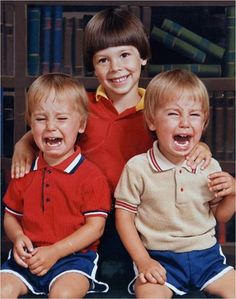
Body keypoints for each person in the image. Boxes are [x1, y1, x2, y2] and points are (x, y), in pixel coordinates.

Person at [10, 8, 212, 291]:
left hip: (143, 222)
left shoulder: (159, 111)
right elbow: (49, 127)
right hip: (90, 221)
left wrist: (201, 146)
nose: (116, 68)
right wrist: (24, 142)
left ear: (143, 56)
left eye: (125, 55)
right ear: (93, 67)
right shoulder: (85, 108)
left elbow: (183, 136)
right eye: (104, 60)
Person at [115, 69, 235, 298]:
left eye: (194, 115)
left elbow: (221, 215)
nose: (185, 123)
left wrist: (233, 193)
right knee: (149, 294)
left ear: (204, 123)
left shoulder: (209, 166)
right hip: (160, 259)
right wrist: (143, 261)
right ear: (151, 121)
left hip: (207, 257)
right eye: (173, 114)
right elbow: (124, 218)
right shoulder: (138, 168)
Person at [0, 73, 111, 298]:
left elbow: (95, 227)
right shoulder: (24, 171)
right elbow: (11, 216)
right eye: (41, 119)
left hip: (72, 259)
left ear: (81, 125)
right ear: (31, 124)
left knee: (64, 294)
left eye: (61, 119)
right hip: (28, 258)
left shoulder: (91, 176)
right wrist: (18, 237)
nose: (51, 127)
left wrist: (55, 251)